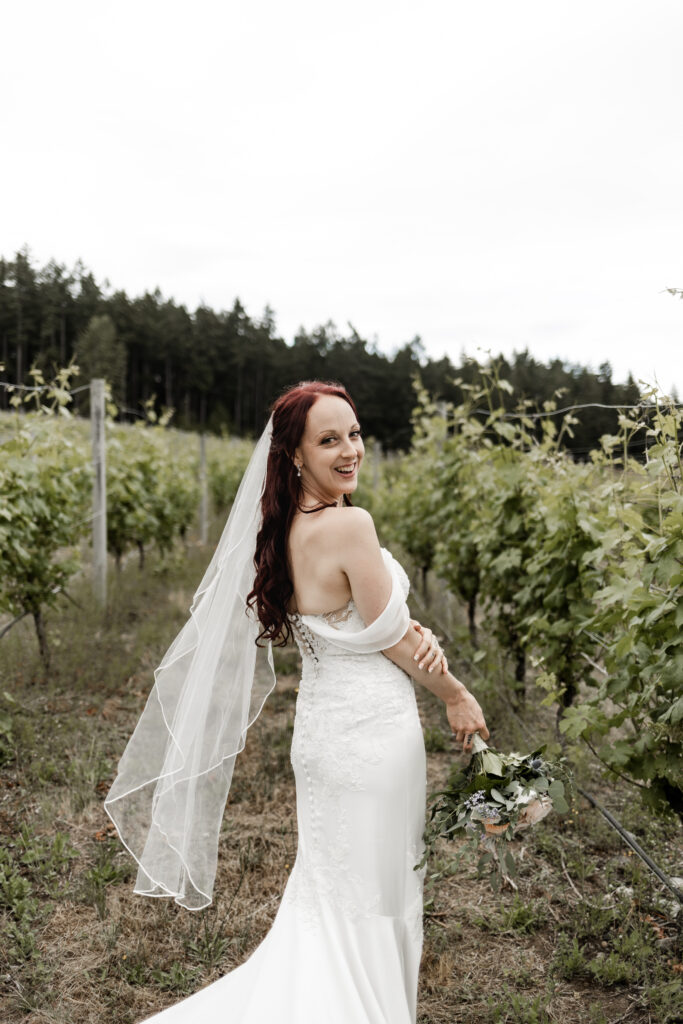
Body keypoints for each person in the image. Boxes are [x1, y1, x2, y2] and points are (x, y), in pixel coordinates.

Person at [105, 379, 489, 1023]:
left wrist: (402, 628)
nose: (350, 451)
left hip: (320, 736)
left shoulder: (282, 530)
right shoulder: (350, 523)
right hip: (372, 735)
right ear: (295, 456)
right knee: (380, 887)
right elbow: (388, 635)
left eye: (356, 434)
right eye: (329, 439)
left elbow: (358, 621)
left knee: (332, 887)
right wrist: (455, 694)